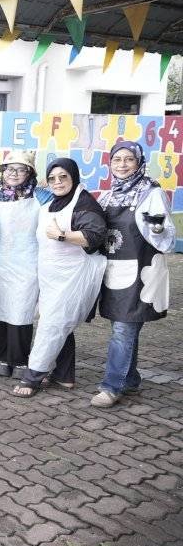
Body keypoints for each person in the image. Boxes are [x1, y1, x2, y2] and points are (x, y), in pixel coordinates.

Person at [13, 159, 107, 398]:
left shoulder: (85, 203)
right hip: (51, 278)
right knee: (58, 322)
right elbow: (33, 187)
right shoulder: (54, 201)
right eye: (52, 178)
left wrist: (62, 235)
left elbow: (95, 235)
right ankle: (64, 376)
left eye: (63, 177)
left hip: (72, 278)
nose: (57, 182)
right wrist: (39, 176)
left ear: (74, 178)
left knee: (52, 325)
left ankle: (32, 377)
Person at [92, 142, 176, 407]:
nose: (123, 164)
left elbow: (168, 238)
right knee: (125, 327)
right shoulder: (108, 196)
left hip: (140, 274)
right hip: (114, 273)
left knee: (123, 329)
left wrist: (159, 229)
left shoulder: (151, 194)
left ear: (139, 163)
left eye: (129, 159)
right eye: (117, 159)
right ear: (110, 164)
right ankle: (130, 379)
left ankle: (111, 386)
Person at [0, 151, 51, 378]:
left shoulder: (41, 197)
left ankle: (20, 359)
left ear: (29, 173)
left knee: (21, 310)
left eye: (20, 169)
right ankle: (0, 357)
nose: (14, 173)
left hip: (27, 260)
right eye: (9, 169)